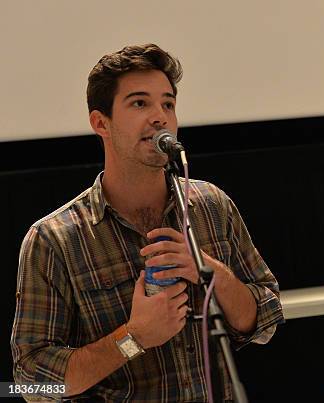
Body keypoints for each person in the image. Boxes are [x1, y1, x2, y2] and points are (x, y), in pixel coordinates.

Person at [11, 43, 284, 402]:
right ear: (100, 122)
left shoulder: (211, 206)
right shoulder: (54, 239)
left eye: (168, 104)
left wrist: (210, 271)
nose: (160, 117)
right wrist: (133, 338)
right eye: (140, 103)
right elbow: (32, 383)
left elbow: (265, 318)